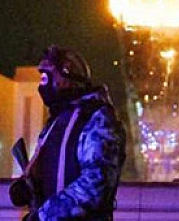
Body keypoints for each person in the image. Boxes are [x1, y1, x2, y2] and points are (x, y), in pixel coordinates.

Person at [9, 45, 127, 220]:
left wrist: (44, 215)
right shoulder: (57, 121)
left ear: (67, 76)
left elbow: (95, 185)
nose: (42, 85)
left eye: (47, 77)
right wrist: (26, 186)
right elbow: (45, 170)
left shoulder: (97, 118)